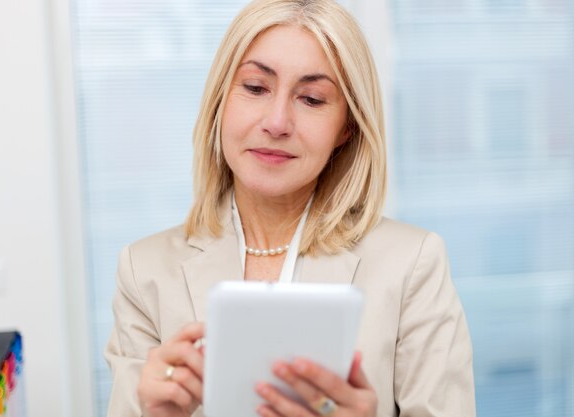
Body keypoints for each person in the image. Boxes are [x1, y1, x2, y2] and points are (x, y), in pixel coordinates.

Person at [105, 0, 476, 416]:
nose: (277, 122)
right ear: (220, 101)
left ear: (346, 127)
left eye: (313, 99)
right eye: (255, 88)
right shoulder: (144, 271)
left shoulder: (412, 266)